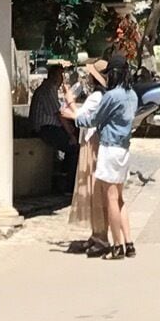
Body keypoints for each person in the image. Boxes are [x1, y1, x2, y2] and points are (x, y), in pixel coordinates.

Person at [90, 56, 144, 258]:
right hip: (124, 149)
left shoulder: (111, 96)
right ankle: (128, 242)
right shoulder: (132, 95)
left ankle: (117, 246)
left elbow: (95, 118)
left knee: (111, 198)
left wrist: (77, 116)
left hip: (109, 148)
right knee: (120, 198)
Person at [67, 57, 109, 252]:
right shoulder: (102, 97)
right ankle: (96, 232)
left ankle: (100, 234)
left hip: (91, 143)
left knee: (93, 187)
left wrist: (70, 103)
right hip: (93, 141)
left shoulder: (96, 98)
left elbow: (81, 118)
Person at [28, 57, 79, 189]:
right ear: (56, 77)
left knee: (72, 140)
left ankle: (64, 176)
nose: (63, 79)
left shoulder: (49, 89)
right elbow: (59, 114)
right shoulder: (48, 89)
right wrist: (71, 134)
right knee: (74, 148)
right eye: (61, 75)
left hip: (49, 127)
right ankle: (69, 185)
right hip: (45, 128)